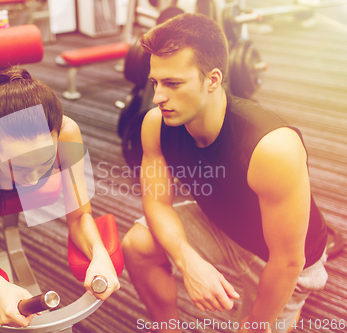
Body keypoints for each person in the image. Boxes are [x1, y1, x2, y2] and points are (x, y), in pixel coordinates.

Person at [121, 13, 328, 333]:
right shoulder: (156, 125)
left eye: (173, 84)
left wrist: (256, 324)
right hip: (225, 227)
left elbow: (288, 261)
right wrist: (187, 260)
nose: (159, 97)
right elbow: (157, 204)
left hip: (284, 258)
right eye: (155, 83)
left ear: (213, 79)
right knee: (139, 243)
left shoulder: (272, 147)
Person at [0, 67, 120, 328]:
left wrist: (99, 254)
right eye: (18, 167)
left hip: (4, 102)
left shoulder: (67, 131)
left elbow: (80, 216)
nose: (32, 181)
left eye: (45, 163)